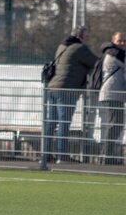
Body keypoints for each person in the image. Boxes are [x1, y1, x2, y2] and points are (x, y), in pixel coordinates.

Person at [44, 26, 98, 163]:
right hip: (67, 89)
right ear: (80, 37)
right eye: (86, 37)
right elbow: (96, 62)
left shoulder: (62, 47)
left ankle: (45, 155)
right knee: (64, 122)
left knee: (51, 122)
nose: (88, 40)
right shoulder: (80, 48)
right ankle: (62, 156)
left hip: (53, 87)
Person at [97, 32, 126, 165]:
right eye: (120, 40)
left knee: (116, 125)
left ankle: (107, 155)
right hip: (111, 93)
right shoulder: (115, 54)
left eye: (124, 41)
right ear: (113, 41)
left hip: (115, 93)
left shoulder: (116, 53)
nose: (123, 43)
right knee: (114, 125)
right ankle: (106, 156)